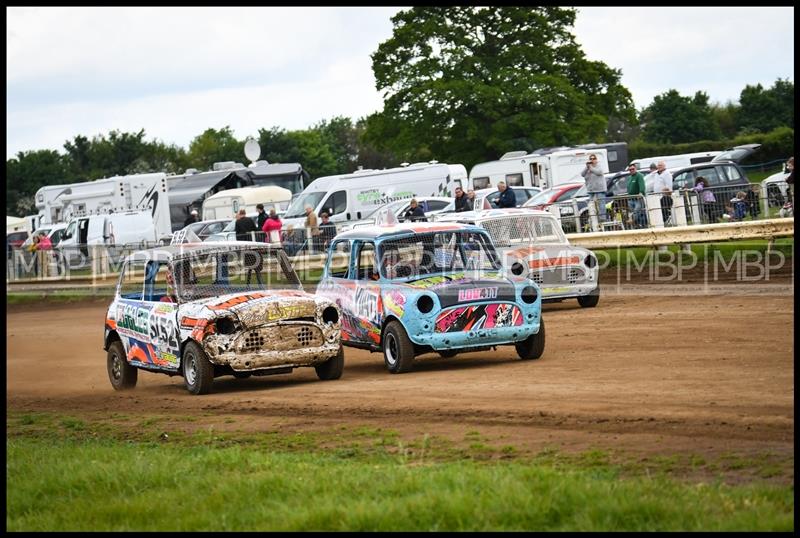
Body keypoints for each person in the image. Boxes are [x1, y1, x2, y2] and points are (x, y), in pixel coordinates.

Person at [581, 153, 607, 222]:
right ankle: (594, 219)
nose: (592, 160)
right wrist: (587, 167)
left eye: (594, 158)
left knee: (601, 205)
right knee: (591, 206)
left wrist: (591, 168)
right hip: (591, 190)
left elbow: (599, 172)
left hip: (600, 190)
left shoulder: (599, 166)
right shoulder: (587, 168)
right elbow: (582, 174)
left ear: (596, 160)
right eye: (591, 159)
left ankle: (603, 218)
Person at [651, 161, 673, 225]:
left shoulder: (667, 174)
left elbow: (669, 187)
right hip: (656, 197)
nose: (659, 167)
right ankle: (658, 223)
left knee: (663, 211)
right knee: (656, 211)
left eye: (660, 165)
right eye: (658, 165)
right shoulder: (656, 174)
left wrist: (665, 190)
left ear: (664, 166)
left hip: (665, 197)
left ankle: (663, 223)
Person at [626, 164, 647, 228]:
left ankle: (641, 225)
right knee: (635, 212)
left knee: (637, 211)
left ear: (636, 169)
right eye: (630, 169)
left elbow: (642, 186)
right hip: (631, 199)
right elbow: (629, 188)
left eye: (633, 169)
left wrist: (641, 192)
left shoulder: (639, 176)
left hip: (638, 198)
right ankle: (637, 226)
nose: (631, 170)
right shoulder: (629, 177)